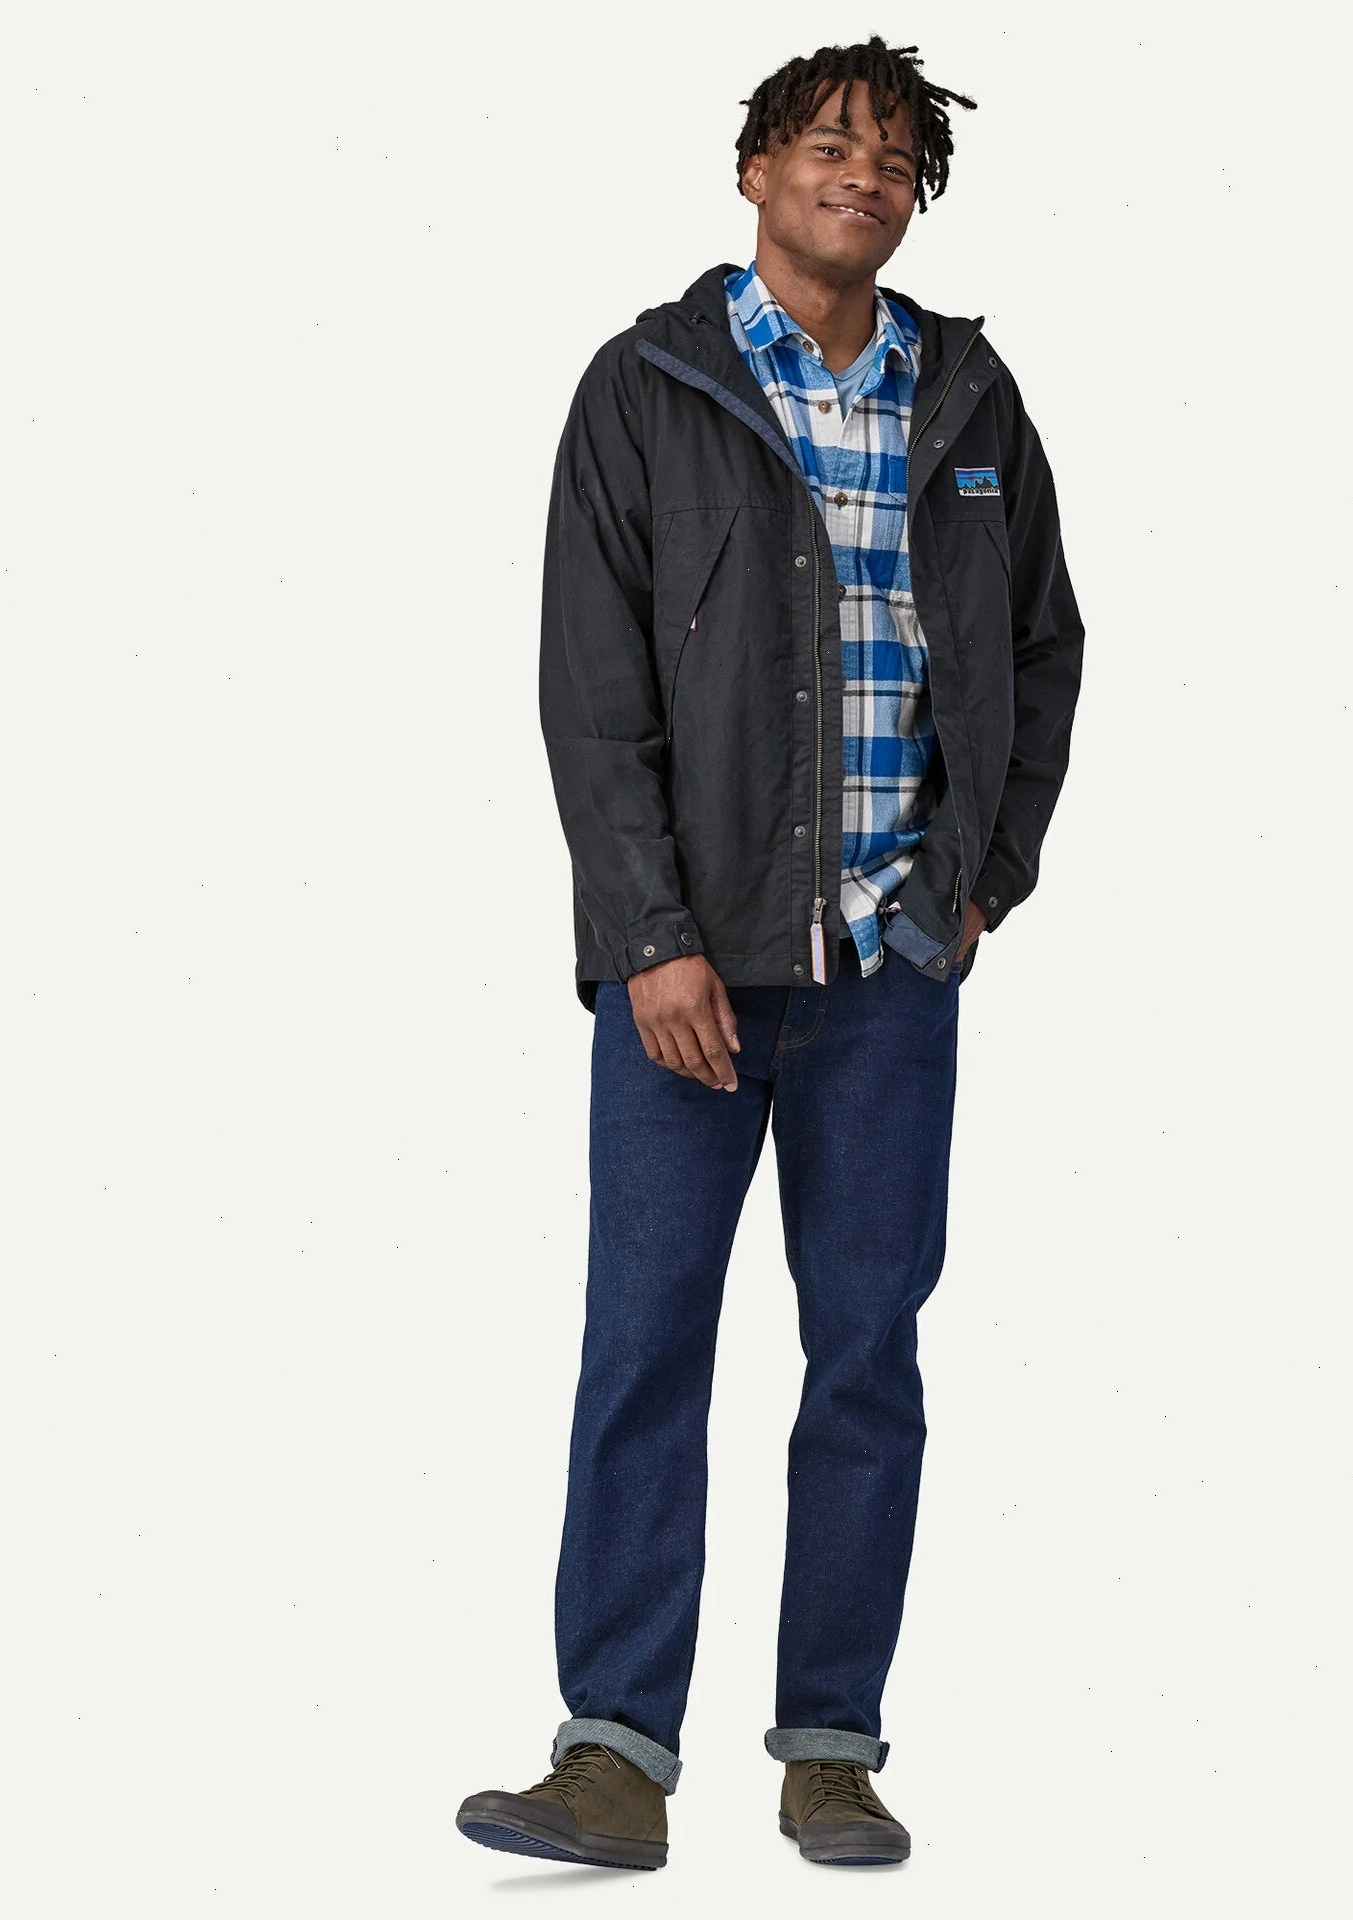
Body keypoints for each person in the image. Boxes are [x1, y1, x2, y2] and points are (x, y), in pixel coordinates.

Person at [456, 34, 1085, 1871]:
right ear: (755, 169)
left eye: (895, 160)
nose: (862, 177)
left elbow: (1043, 649)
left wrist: (981, 881)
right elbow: (593, 690)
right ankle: (612, 1754)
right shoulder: (646, 387)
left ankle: (831, 1746)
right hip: (694, 975)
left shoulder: (969, 398)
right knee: (646, 1343)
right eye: (829, 146)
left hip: (894, 972)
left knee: (866, 1354)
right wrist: (649, 938)